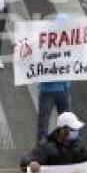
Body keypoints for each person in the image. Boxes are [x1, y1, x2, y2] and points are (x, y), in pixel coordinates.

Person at [36, 15, 72, 144]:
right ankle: (41, 153)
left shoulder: (70, 42)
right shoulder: (44, 42)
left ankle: (64, 150)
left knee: (67, 124)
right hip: (48, 90)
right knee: (44, 124)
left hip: (63, 88)